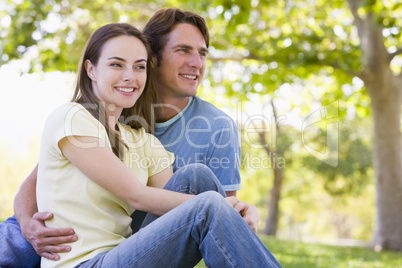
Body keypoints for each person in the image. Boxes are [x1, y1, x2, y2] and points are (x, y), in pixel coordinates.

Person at [0, 8, 263, 266]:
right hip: (76, 254)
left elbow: (199, 207)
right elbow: (38, 182)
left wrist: (240, 208)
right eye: (183, 50)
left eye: (202, 53)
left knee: (197, 177)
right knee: (16, 237)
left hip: (133, 248)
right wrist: (26, 223)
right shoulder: (75, 117)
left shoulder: (156, 137)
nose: (196, 62)